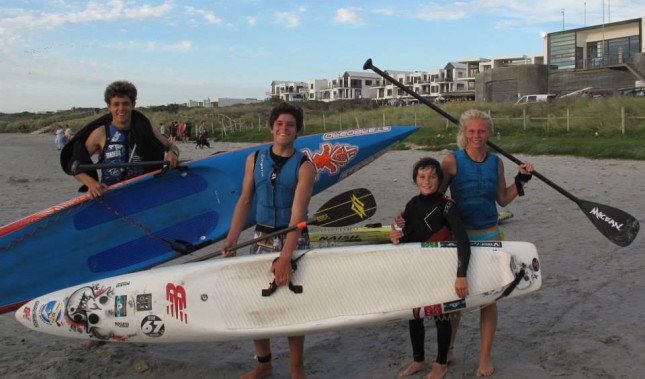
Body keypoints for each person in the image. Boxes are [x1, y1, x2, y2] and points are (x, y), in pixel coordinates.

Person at [220, 102, 316, 379]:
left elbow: (298, 215)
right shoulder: (255, 159)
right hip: (261, 237)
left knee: (292, 304)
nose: (284, 128)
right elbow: (245, 200)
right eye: (280, 124)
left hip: (293, 240)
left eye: (290, 125)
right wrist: (231, 240)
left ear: (297, 131)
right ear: (272, 127)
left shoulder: (305, 166)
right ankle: (264, 363)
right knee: (256, 300)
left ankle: (296, 368)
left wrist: (285, 256)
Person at [439, 109, 534, 377]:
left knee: (489, 299)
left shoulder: (497, 163)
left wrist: (522, 180)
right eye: (471, 131)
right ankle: (448, 350)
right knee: (456, 298)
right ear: (463, 133)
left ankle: (484, 358)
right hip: (461, 237)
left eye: (481, 131)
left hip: (490, 235)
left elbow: (502, 199)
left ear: (489, 132)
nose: (477, 136)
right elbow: (435, 198)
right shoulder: (451, 161)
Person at [391, 157, 471, 379]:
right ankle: (418, 360)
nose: (427, 181)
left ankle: (441, 363)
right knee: (414, 315)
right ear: (415, 179)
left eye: (432, 176)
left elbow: (463, 242)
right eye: (422, 176)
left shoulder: (447, 206)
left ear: (439, 179)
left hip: (440, 270)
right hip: (417, 270)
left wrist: (461, 275)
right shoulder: (411, 205)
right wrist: (396, 235)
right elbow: (407, 238)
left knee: (441, 317)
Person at [60, 80, 180, 198]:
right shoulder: (101, 133)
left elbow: (171, 147)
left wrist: (172, 154)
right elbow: (75, 165)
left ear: (133, 105)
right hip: (110, 197)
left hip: (143, 194)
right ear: (109, 107)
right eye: (116, 104)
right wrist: (91, 183)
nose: (121, 108)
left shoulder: (146, 128)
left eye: (125, 103)